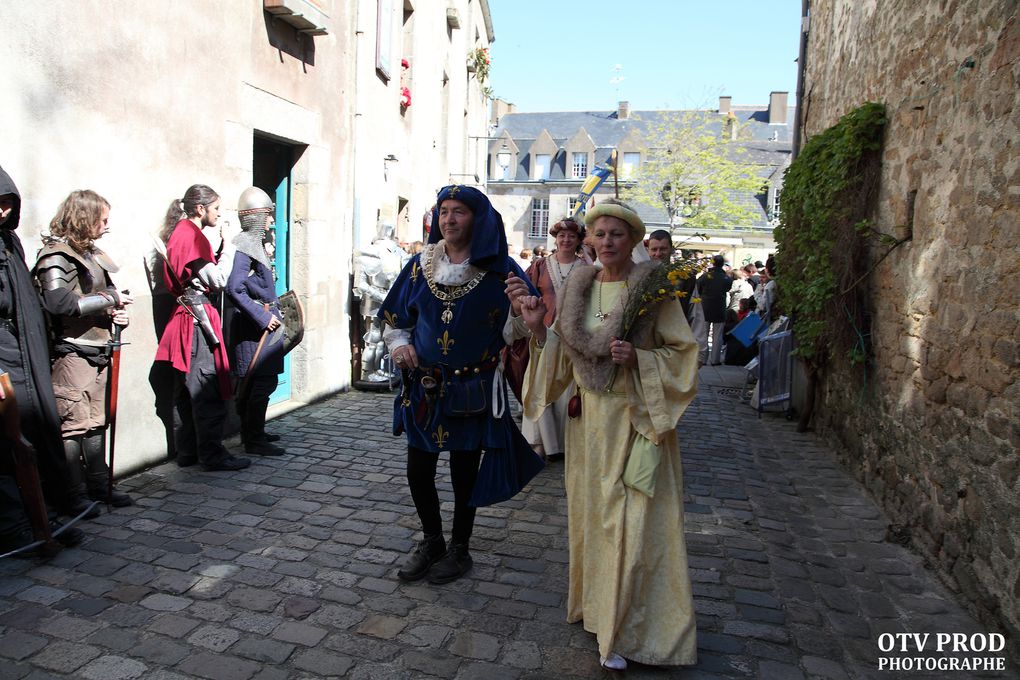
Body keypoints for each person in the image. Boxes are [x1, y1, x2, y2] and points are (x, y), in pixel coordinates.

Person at [511, 198, 698, 671]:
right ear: (589, 240)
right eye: (601, 234)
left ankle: (627, 630)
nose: (608, 242)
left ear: (634, 241)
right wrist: (538, 329)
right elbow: (561, 357)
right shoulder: (581, 287)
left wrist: (641, 359)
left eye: (618, 234)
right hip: (587, 426)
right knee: (595, 518)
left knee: (631, 523)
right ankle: (598, 611)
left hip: (635, 422)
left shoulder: (653, 292)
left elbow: (684, 354)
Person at [379, 185, 542, 586]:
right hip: (425, 387)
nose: (449, 220)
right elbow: (397, 319)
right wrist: (400, 346)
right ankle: (432, 540)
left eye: (459, 212)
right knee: (418, 470)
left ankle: (459, 548)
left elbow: (520, 328)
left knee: (463, 472)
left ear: (478, 218)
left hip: (472, 387)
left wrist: (524, 310)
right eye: (444, 211)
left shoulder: (501, 269)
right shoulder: (420, 265)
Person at [0, 166, 86, 552]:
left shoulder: (9, 243)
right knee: (7, 446)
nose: (2, 213)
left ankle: (46, 513)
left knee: (38, 434)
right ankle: (19, 523)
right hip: (3, 361)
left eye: (7, 205)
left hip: (26, 356)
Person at [33, 190, 134, 510]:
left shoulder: (94, 254)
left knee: (96, 421)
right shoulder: (55, 255)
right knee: (72, 425)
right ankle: (72, 493)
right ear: (84, 218)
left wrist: (117, 313)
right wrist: (111, 302)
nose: (106, 225)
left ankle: (99, 484)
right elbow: (59, 302)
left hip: (100, 346)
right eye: (102, 219)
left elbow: (108, 293)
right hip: (72, 351)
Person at [155, 184, 250, 472]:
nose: (219, 215)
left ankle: (188, 452)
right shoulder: (190, 235)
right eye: (217, 209)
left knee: (185, 390)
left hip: (186, 316)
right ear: (200, 209)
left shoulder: (184, 233)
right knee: (204, 386)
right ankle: (211, 454)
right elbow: (217, 279)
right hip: (194, 320)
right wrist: (232, 246)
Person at [504, 217, 586, 461]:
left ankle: (560, 443)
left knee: (564, 391)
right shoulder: (539, 266)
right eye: (561, 236)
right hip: (541, 333)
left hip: (573, 337)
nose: (566, 240)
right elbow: (525, 295)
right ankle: (538, 443)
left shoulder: (588, 267)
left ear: (578, 240)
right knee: (539, 385)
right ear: (555, 239)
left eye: (571, 236)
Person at [226, 187, 286, 457]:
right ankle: (252, 439)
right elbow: (234, 288)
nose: (271, 221)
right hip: (253, 328)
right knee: (257, 384)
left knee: (266, 381)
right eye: (267, 216)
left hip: (263, 323)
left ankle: (256, 432)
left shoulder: (255, 246)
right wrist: (263, 316)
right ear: (256, 217)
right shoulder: (244, 248)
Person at [698, 254, 732, 366]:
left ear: (713, 263)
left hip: (706, 307)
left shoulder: (705, 276)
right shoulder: (726, 278)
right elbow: (727, 288)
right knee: (717, 336)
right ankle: (715, 360)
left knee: (704, 334)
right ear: (722, 264)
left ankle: (702, 358)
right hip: (719, 307)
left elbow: (698, 288)